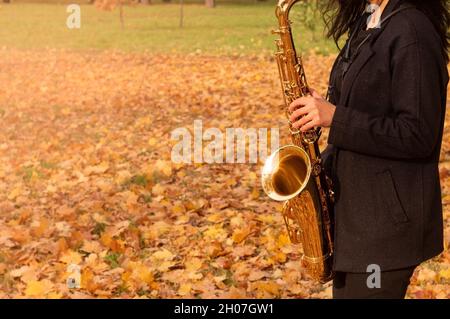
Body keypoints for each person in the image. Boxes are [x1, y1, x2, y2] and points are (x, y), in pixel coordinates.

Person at [288, 0, 449, 298]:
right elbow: (368, 100)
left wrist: (336, 117)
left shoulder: (412, 32)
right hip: (358, 219)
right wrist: (319, 109)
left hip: (384, 229)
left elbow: (418, 135)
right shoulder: (372, 19)